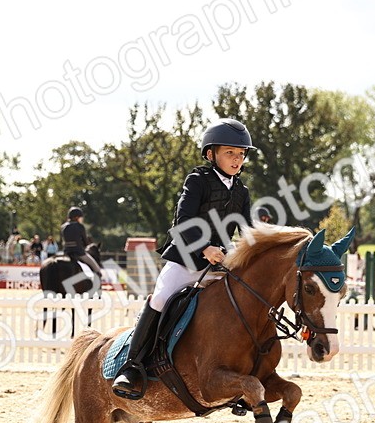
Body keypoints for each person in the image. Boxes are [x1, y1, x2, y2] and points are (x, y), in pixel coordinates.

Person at [112, 118, 255, 399]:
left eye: (241, 154)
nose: (237, 159)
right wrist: (205, 248)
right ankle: (132, 366)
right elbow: (182, 220)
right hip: (186, 259)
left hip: (220, 266)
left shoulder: (242, 192)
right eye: (230, 153)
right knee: (160, 299)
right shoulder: (198, 180)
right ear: (210, 153)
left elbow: (249, 230)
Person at [60, 207, 103, 284]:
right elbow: (85, 242)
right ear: (76, 217)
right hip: (79, 252)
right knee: (96, 268)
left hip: (66, 252)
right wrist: (85, 245)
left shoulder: (63, 227)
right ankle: (96, 285)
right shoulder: (80, 226)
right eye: (80, 217)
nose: (81, 219)